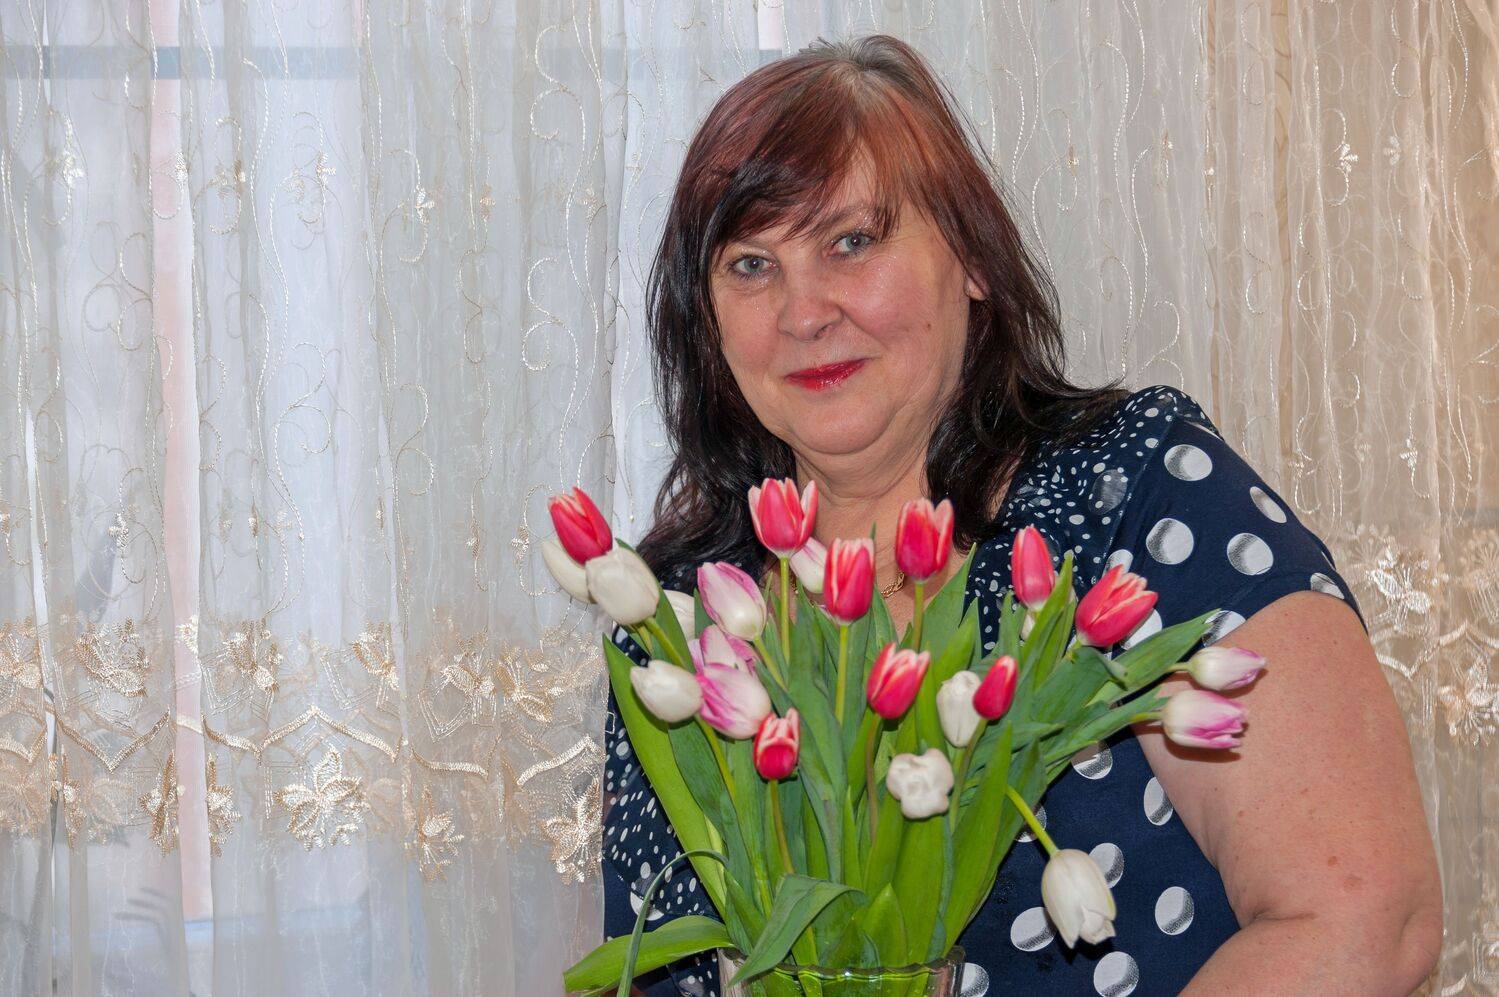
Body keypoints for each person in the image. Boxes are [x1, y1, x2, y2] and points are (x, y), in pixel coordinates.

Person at [601, 35, 1441, 996]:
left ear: (971, 259)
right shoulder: (673, 623)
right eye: (751, 265)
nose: (803, 312)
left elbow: (1367, 919)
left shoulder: (1129, 495)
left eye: (851, 241)